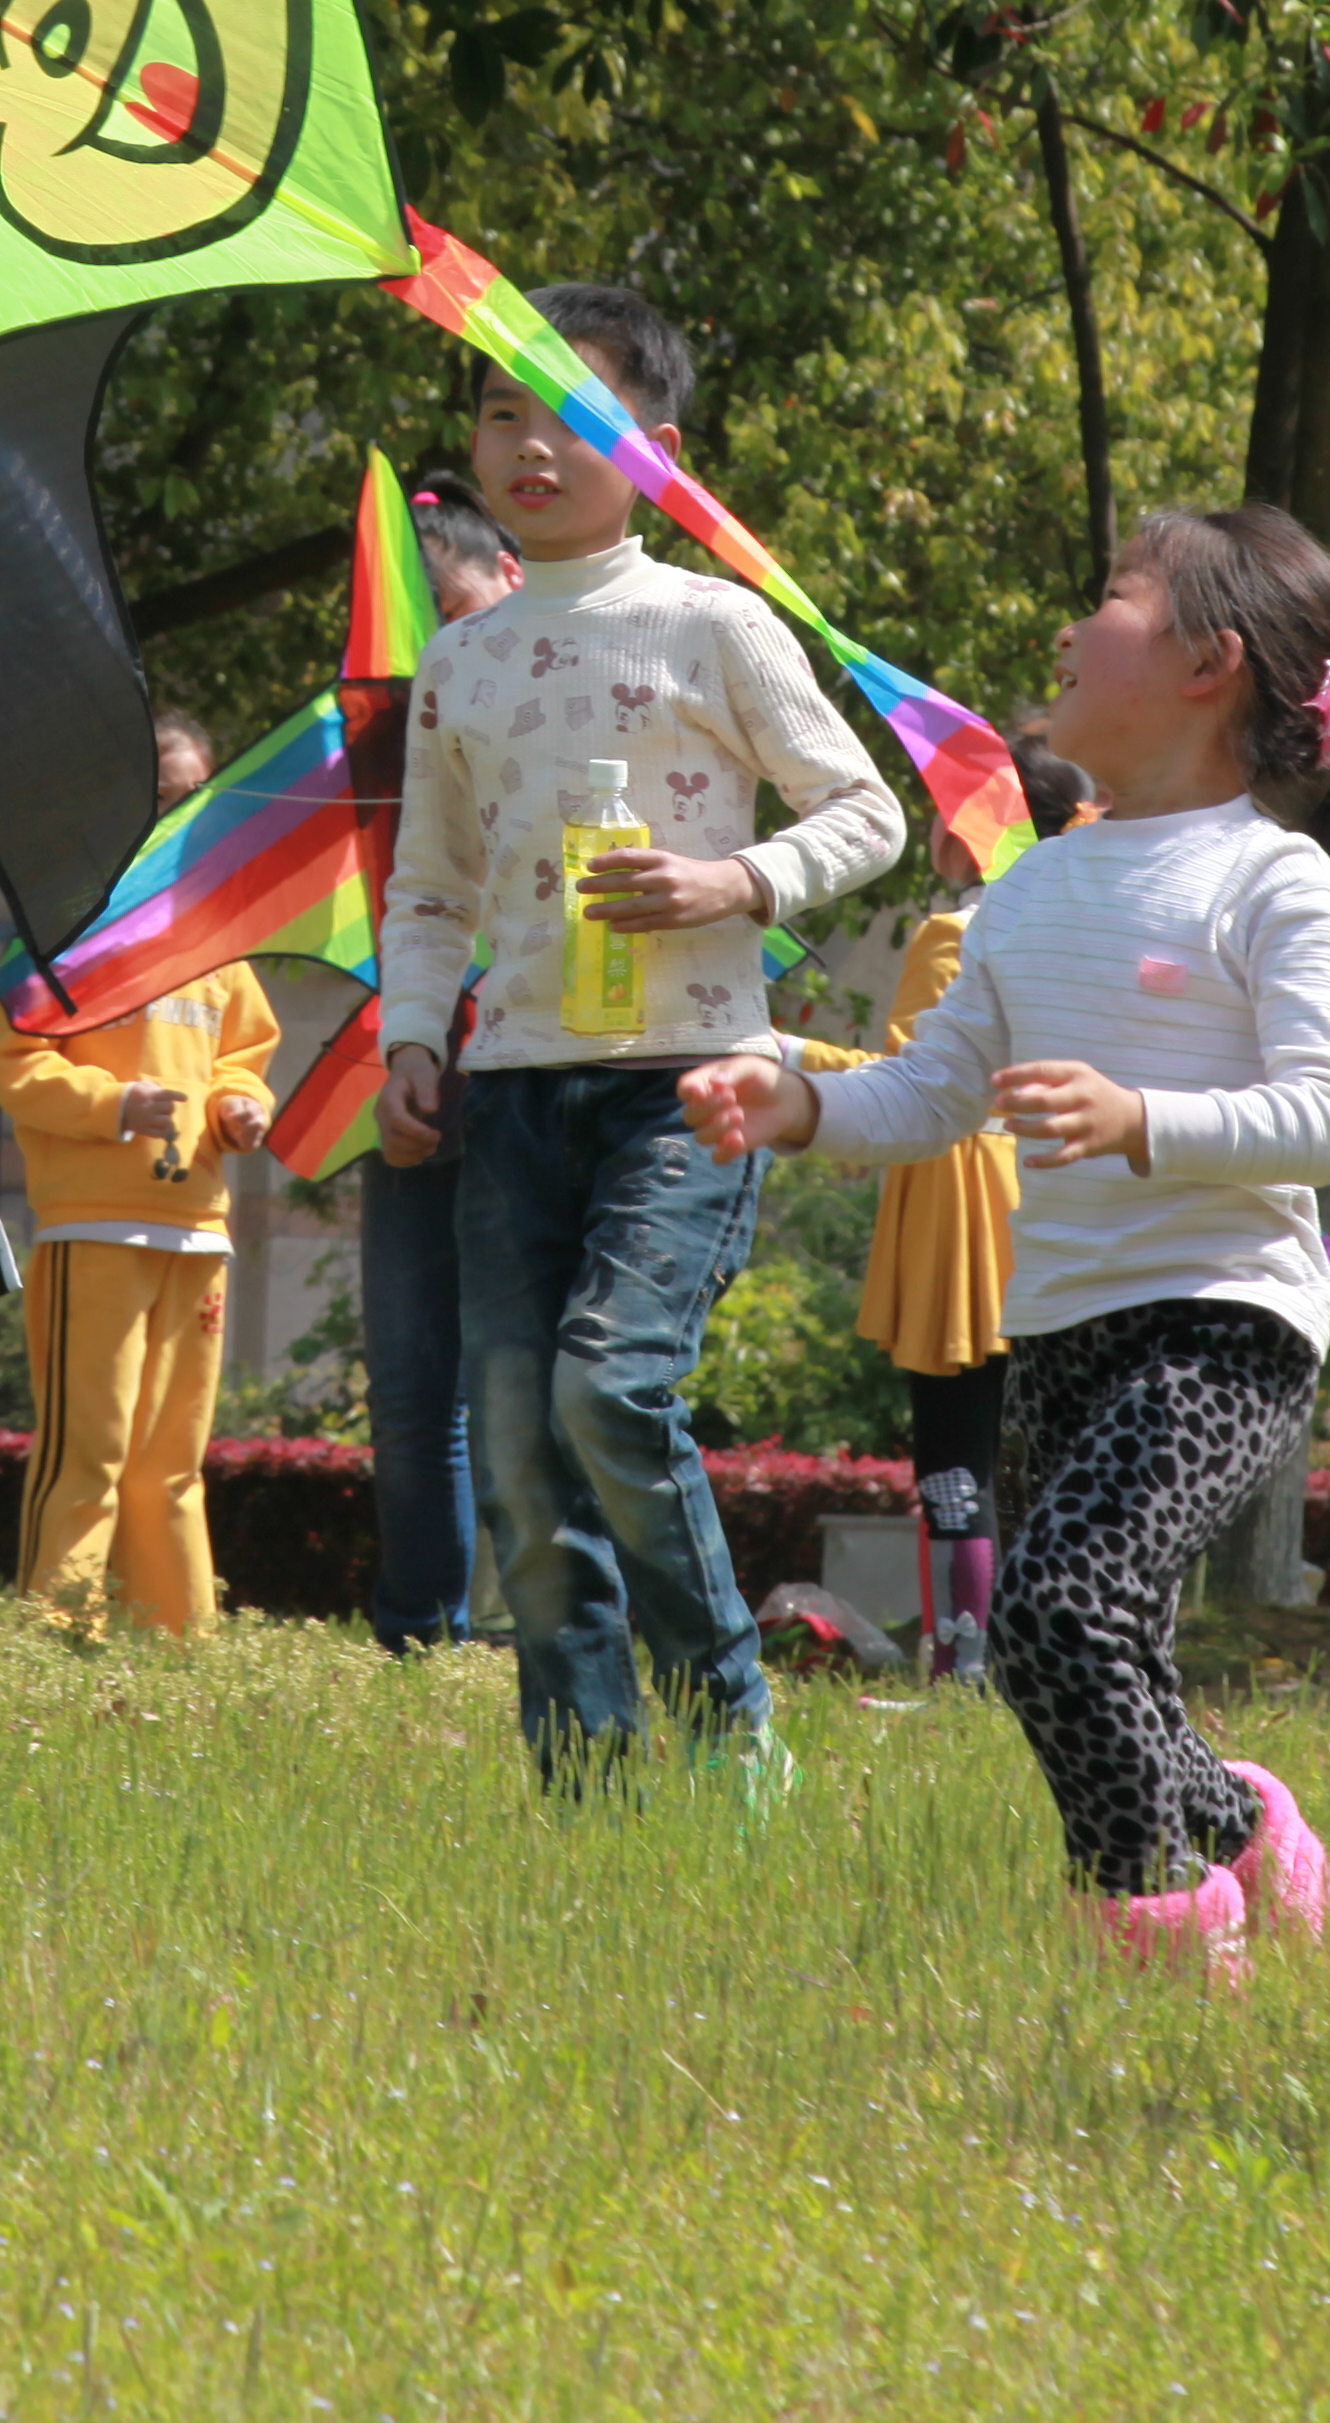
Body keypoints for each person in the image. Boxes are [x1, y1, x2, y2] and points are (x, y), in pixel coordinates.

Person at [690, 530, 1330, 1975]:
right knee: (1099, 1640)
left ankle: (1148, 1920)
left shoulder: (1275, 883)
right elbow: (930, 1095)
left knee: (1054, 1611)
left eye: (1116, 601)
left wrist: (1143, 1116)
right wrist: (803, 1100)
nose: (1074, 629)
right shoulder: (1024, 895)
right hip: (1063, 1325)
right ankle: (1245, 1827)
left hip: (1222, 1324)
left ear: (1211, 668)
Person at [374, 287, 905, 1796]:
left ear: (657, 456)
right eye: (499, 414)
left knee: (607, 1392)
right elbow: (429, 884)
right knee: (519, 1444)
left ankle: (730, 1719)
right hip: (510, 1090)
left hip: (692, 1086)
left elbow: (867, 813)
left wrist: (732, 881)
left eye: (573, 416)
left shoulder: (712, 621)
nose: (530, 445)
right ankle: (588, 1782)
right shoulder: (458, 665)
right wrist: (416, 1037)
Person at [792, 740, 1097, 1691]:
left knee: (954, 1450)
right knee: (1045, 1449)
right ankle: (1042, 1659)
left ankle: (960, 1662)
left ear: (974, 832)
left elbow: (910, 1083)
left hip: (959, 1205)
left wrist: (780, 1051)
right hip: (1052, 1198)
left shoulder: (953, 934)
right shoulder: (1078, 930)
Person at [0, 713, 283, 1636]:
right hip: (93, 1226)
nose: (176, 813)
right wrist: (114, 1106)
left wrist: (241, 1107)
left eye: (193, 798)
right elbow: (17, 1068)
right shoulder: (61, 928)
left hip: (199, 1226)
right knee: (94, 1447)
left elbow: (243, 1054)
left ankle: (180, 1645)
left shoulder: (216, 937)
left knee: (174, 1457)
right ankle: (54, 1636)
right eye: (160, 795)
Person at [359, 481, 521, 1653]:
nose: (441, 656)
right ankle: (420, 1631)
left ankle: (567, 1630)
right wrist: (405, 1048)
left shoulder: (574, 705)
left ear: (511, 579)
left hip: (534, 1078)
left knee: (532, 1387)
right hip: (413, 1080)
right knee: (413, 1392)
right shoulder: (369, 741)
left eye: (457, 613)